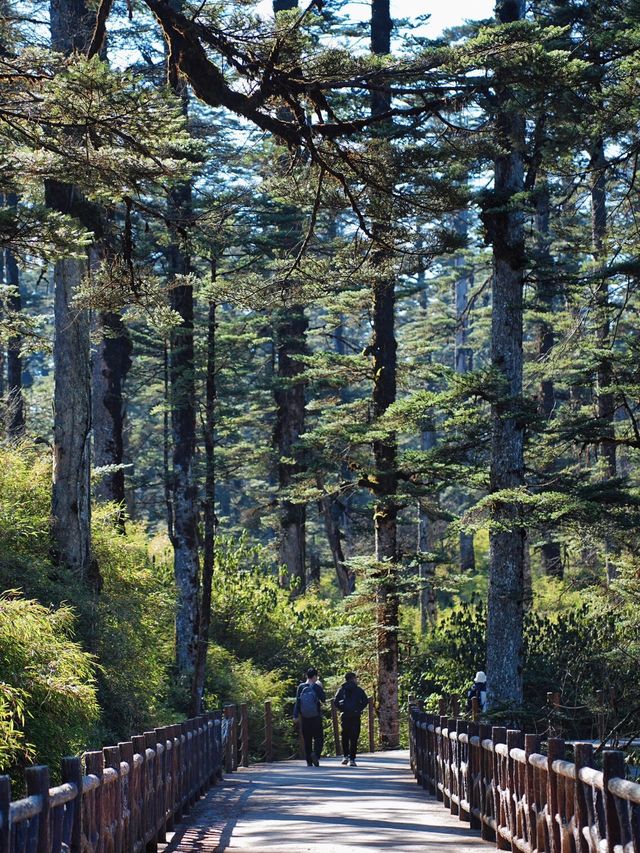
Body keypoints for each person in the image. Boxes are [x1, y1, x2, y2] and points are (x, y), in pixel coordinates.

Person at [333, 672, 368, 767]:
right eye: (355, 678)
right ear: (352, 678)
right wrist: (359, 709)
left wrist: (342, 709)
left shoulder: (341, 689)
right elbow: (365, 701)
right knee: (354, 737)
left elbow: (335, 702)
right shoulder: (358, 690)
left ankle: (345, 756)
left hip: (345, 716)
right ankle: (352, 759)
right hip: (355, 716)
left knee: (345, 736)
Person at [294, 667, 326, 766]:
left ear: (307, 676)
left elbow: (298, 702)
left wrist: (295, 715)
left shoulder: (301, 687)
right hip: (316, 716)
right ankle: (316, 754)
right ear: (315, 676)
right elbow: (323, 699)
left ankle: (308, 761)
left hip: (304, 717)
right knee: (319, 737)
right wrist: (320, 688)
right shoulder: (317, 687)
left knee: (307, 739)